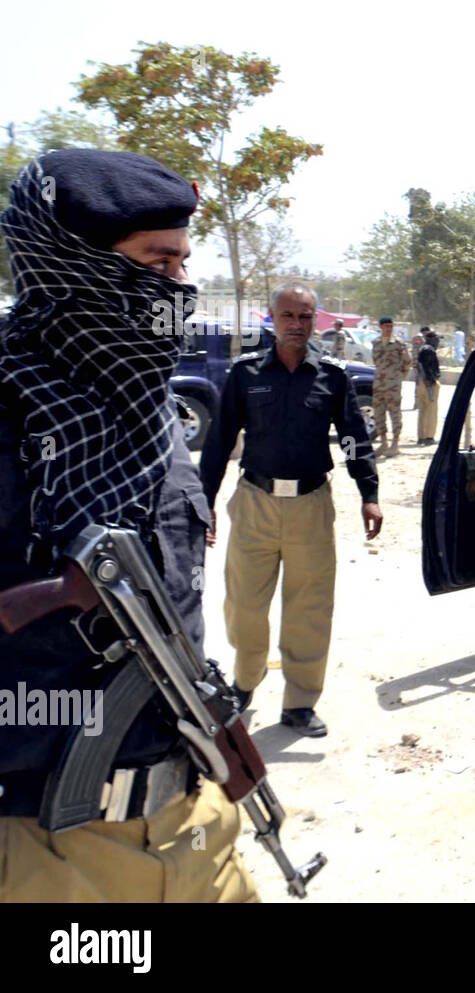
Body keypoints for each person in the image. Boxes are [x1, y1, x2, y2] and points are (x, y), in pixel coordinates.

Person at [0, 149, 258, 901]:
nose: (179, 287)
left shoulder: (153, 409)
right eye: (158, 261)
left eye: (184, 262)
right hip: (53, 851)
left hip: (196, 822)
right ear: (72, 263)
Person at [200, 282, 382, 737]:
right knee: (244, 605)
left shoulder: (333, 376)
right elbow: (219, 442)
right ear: (272, 318)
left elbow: (354, 439)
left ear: (314, 319)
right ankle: (245, 682)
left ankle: (300, 702)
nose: (297, 325)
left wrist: (370, 493)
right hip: (255, 503)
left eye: (305, 317)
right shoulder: (244, 374)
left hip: (310, 506)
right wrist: (204, 502)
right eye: (288, 316)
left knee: (309, 607)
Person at [370, 316, 409, 457]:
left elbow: (407, 362)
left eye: (391, 326)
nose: (389, 328)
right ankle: (383, 442)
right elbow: (376, 361)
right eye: (386, 326)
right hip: (379, 384)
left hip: (393, 385)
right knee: (379, 413)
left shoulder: (398, 344)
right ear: (381, 327)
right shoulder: (375, 342)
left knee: (395, 414)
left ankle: (395, 443)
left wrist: (398, 378)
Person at [414, 326, 440, 445]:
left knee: (422, 411)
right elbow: (426, 367)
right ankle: (429, 436)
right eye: (437, 339)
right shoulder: (429, 350)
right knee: (431, 411)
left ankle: (421, 437)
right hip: (429, 384)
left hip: (422, 383)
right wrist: (430, 380)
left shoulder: (422, 349)